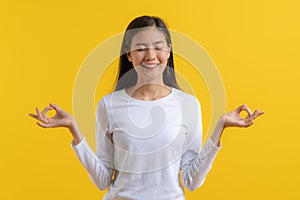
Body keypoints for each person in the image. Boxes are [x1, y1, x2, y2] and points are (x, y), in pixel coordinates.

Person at [29, 16, 264, 200]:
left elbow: (192, 180)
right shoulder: (109, 105)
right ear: (129, 55)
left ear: (168, 51)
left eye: (157, 47)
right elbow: (103, 180)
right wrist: (74, 130)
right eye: (140, 48)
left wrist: (220, 128)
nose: (150, 56)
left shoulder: (188, 105)